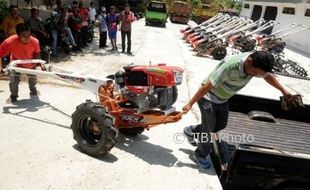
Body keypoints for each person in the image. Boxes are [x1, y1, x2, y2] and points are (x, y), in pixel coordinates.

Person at [182, 51, 293, 169]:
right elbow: (207, 86)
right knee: (209, 132)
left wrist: (283, 90)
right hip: (207, 97)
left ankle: (192, 131)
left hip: (222, 99)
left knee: (220, 125)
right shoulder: (230, 67)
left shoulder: (256, 63)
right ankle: (199, 155)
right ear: (249, 61)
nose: (255, 75)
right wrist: (190, 103)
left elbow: (267, 76)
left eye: (258, 74)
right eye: (255, 72)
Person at [0, 23, 41, 102]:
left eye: (28, 35)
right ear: (18, 35)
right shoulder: (10, 41)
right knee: (13, 81)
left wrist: (41, 64)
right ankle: (13, 96)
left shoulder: (35, 41)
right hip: (16, 63)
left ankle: (33, 90)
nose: (27, 38)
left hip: (30, 62)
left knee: (33, 79)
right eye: (24, 35)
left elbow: (37, 53)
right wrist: (0, 67)